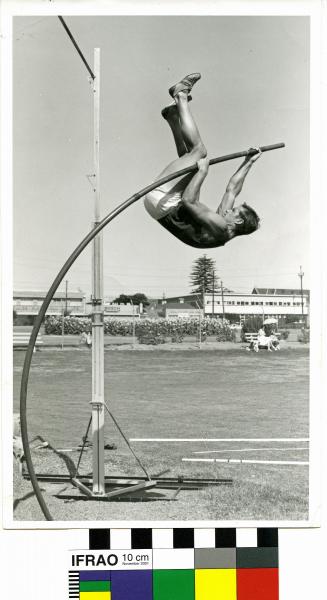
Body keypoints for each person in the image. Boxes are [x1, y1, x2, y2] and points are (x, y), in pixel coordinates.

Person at [144, 73, 262, 248]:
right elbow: (232, 190)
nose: (230, 209)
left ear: (237, 221)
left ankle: (180, 95)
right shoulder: (223, 222)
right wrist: (249, 162)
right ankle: (172, 118)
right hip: (164, 206)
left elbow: (188, 201)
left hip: (165, 204)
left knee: (199, 151)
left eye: (234, 211)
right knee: (190, 162)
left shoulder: (221, 228)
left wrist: (203, 172)